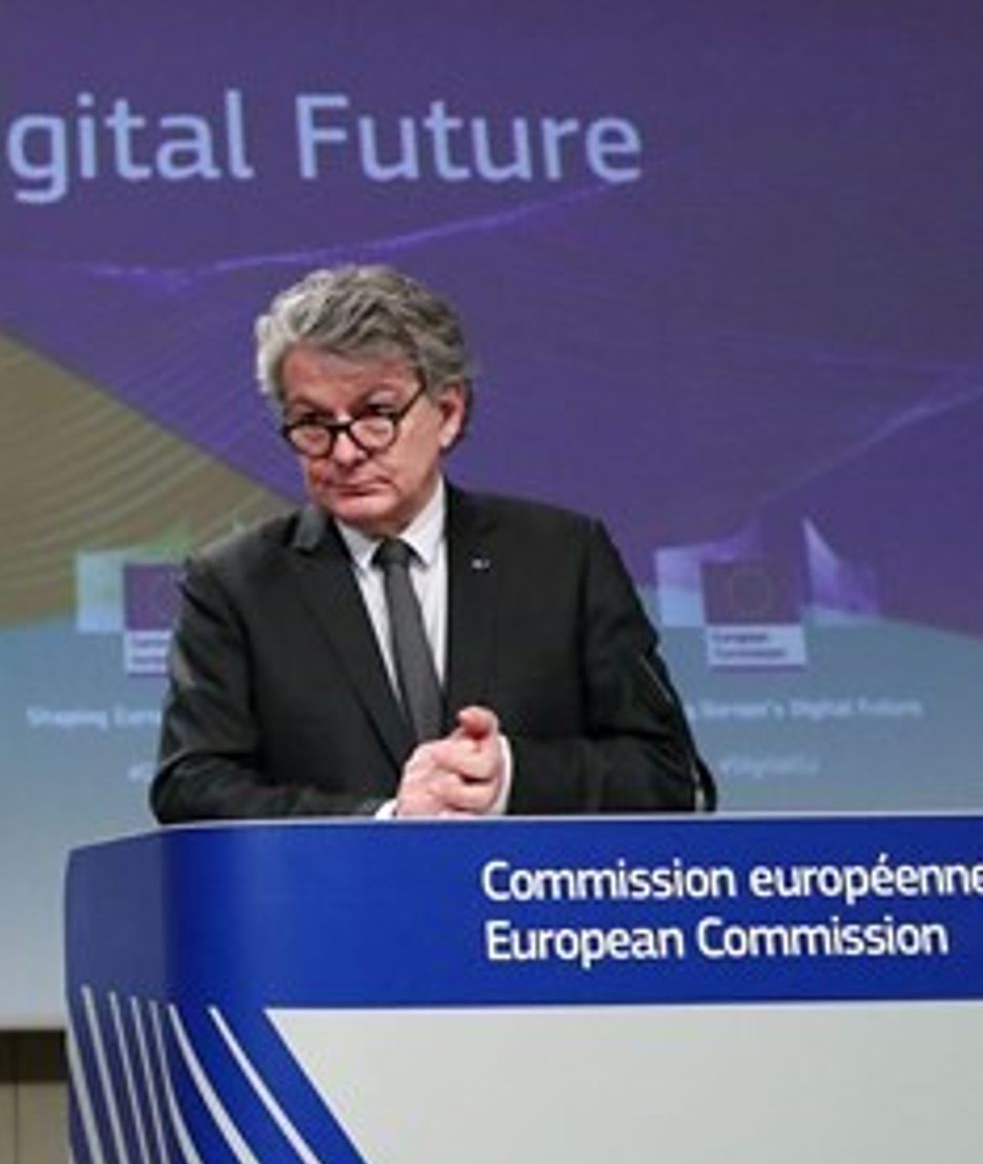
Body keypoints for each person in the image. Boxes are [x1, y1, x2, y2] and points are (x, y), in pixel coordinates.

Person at [149, 264, 707, 822]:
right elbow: (191, 785)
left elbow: (671, 776)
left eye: (377, 415)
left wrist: (508, 778)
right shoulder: (236, 585)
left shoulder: (563, 559)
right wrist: (384, 819)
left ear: (448, 412)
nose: (345, 452)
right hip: (342, 881)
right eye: (312, 422)